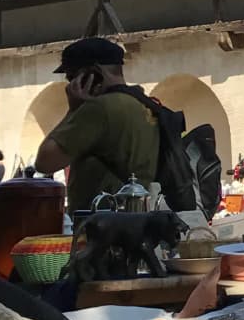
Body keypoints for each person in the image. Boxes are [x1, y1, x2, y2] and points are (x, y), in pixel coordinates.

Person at [34, 37, 160, 211]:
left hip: (102, 218)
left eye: (72, 77)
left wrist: (73, 111)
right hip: (138, 212)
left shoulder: (100, 108)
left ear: (93, 74)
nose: (70, 86)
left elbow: (45, 162)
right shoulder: (145, 104)